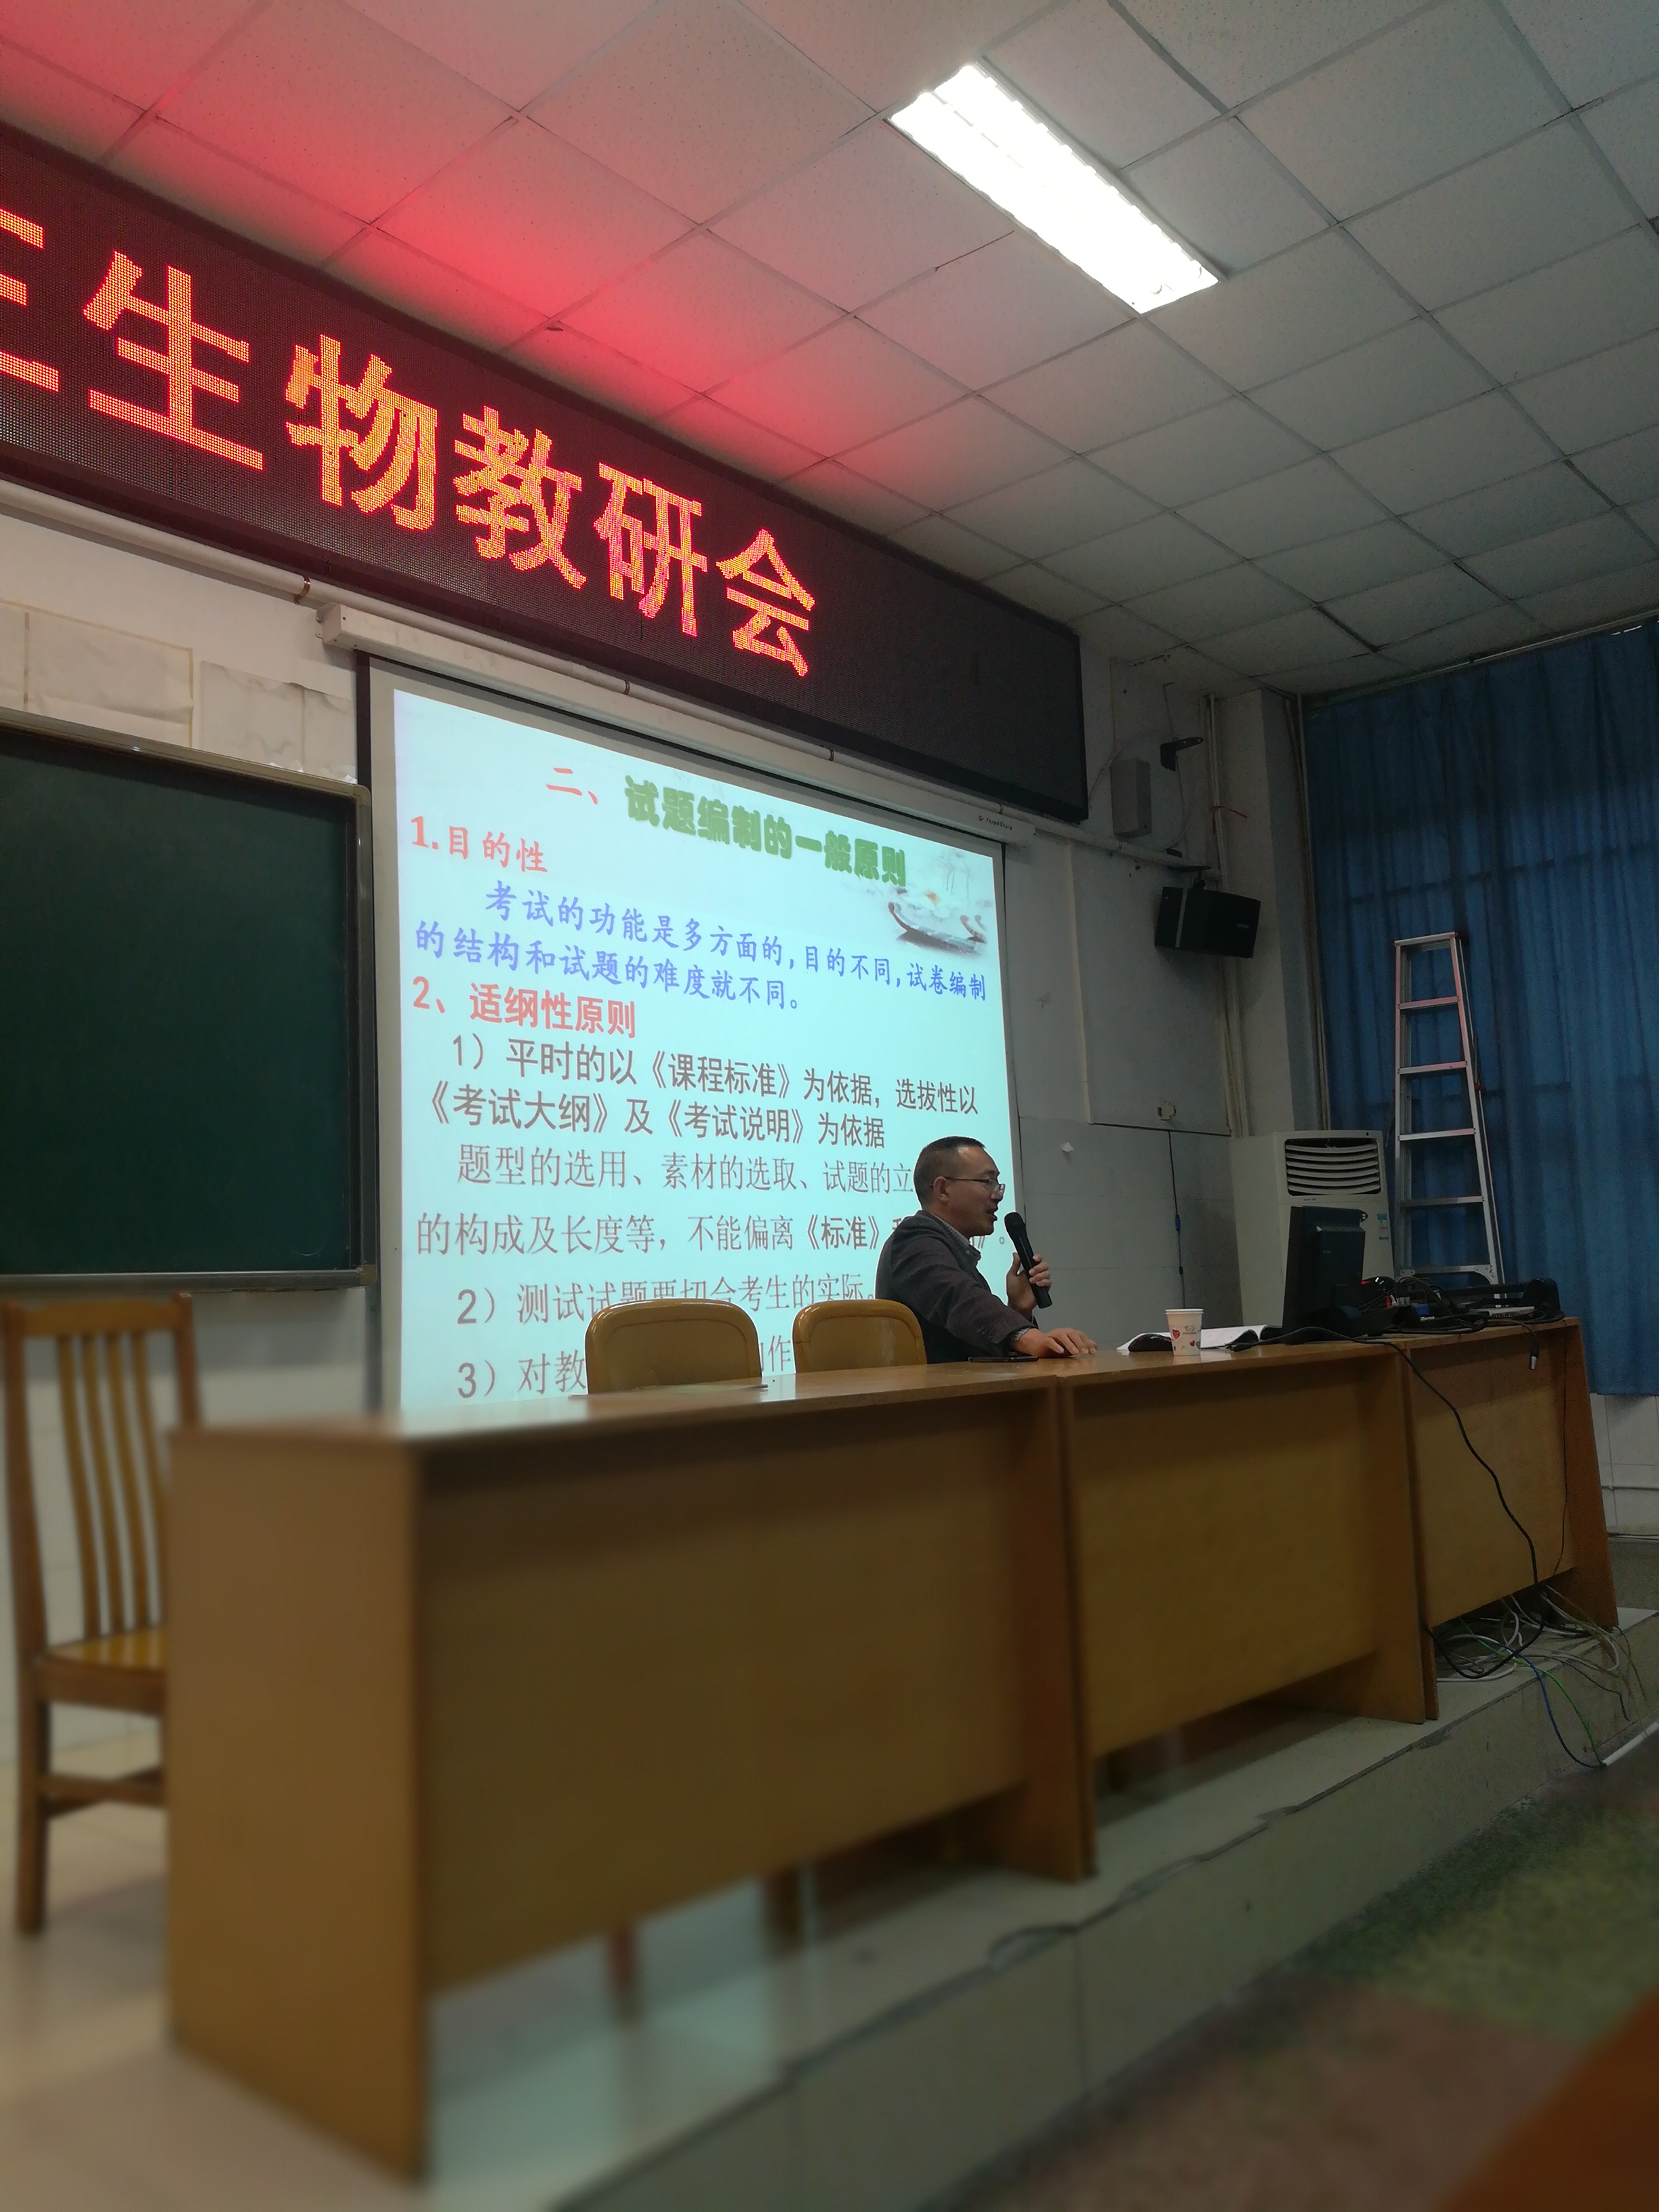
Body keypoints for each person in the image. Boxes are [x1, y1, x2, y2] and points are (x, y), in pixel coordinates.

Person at [875, 1134, 1098, 1362]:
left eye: (998, 1184)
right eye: (988, 1181)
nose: (998, 1195)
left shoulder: (953, 1250)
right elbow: (957, 1298)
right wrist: (1030, 1338)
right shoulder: (912, 1238)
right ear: (943, 1189)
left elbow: (973, 1345)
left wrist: (1019, 1310)